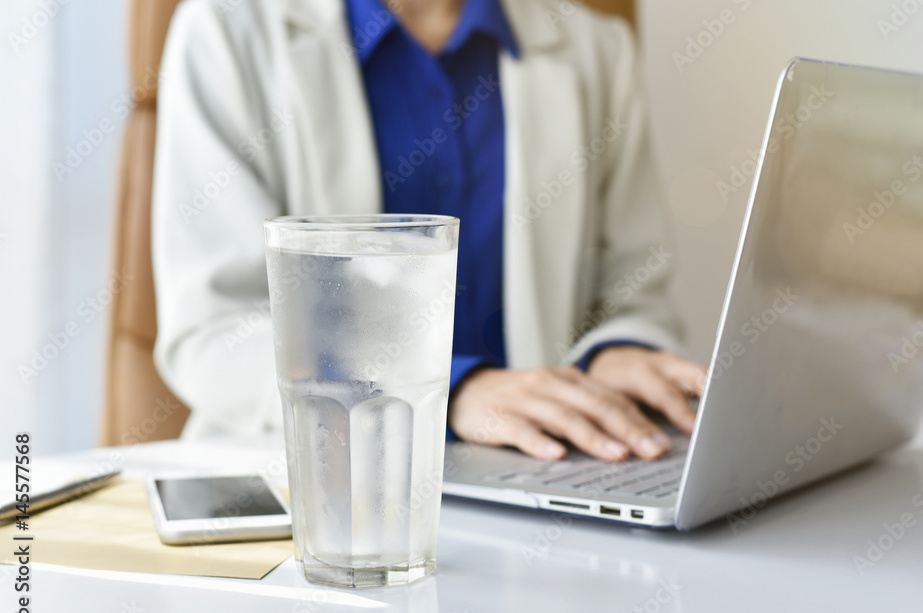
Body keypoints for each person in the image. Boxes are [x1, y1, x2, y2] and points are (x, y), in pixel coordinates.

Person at [152, 0, 707, 463]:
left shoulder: (597, 52)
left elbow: (634, 295)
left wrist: (615, 353)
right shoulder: (228, 31)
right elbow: (215, 331)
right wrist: (450, 393)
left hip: (542, 478)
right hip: (314, 485)